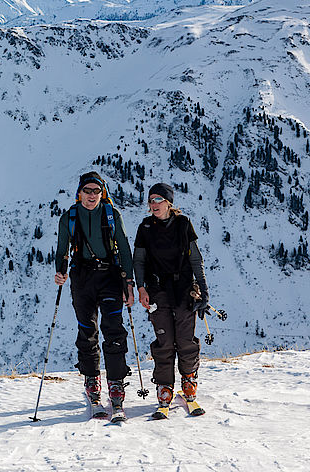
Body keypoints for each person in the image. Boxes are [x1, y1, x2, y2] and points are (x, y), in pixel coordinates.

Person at [54, 171, 135, 417]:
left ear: (103, 193)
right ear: (79, 193)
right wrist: (60, 271)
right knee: (87, 329)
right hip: (82, 278)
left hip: (110, 277)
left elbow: (124, 247)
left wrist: (129, 282)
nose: (91, 195)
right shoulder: (69, 218)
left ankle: (116, 383)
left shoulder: (112, 215)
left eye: (96, 191)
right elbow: (61, 249)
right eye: (87, 191)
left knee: (114, 330)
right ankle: (92, 380)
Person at [133, 182, 210, 417]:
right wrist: (141, 289)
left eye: (158, 199)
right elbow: (139, 262)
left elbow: (196, 259)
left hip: (184, 288)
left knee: (185, 339)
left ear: (169, 202)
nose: (154, 204)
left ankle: (188, 382)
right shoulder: (145, 228)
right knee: (164, 340)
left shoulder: (183, 224)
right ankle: (164, 387)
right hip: (157, 289)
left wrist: (204, 291)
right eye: (151, 200)